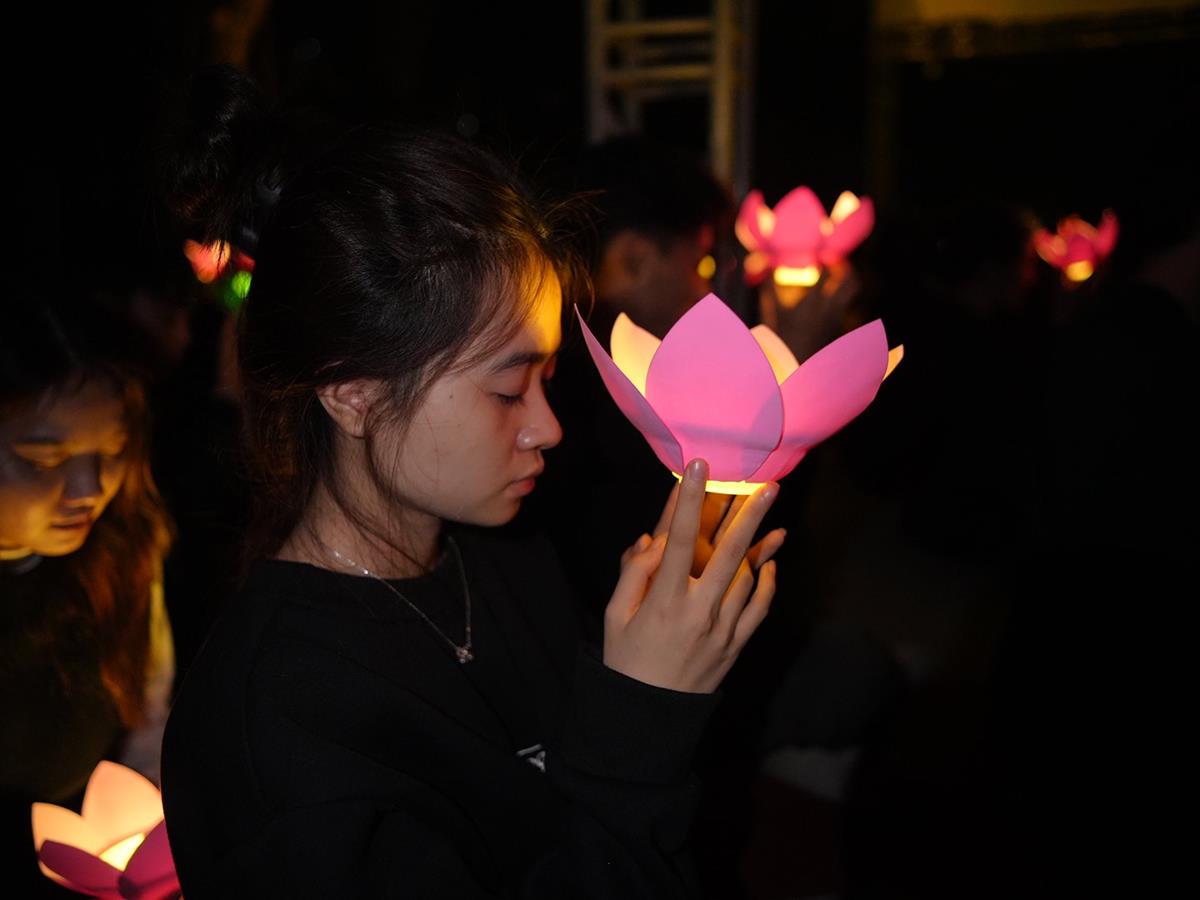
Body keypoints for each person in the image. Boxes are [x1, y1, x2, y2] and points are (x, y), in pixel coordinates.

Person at [159, 66, 785, 898]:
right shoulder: (275, 718)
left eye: (548, 379)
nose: (549, 427)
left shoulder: (507, 557)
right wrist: (643, 715)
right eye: (507, 390)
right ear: (352, 393)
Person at [1, 300, 175, 896]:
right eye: (42, 459)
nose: (90, 487)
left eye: (113, 451)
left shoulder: (122, 551)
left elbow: (149, 719)